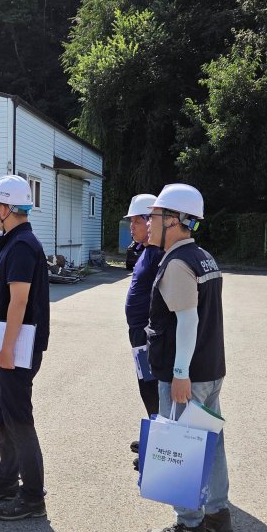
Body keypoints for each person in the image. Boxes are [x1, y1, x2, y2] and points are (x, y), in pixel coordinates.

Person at [143, 183, 233, 532]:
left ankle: (189, 527)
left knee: (181, 446)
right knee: (211, 441)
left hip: (189, 376)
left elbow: (189, 320)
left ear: (176, 221)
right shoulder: (202, 257)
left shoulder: (178, 263)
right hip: (211, 369)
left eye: (155, 216)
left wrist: (180, 373)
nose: (149, 222)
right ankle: (217, 513)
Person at [0, 175, 50, 521]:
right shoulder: (15, 241)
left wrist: (5, 348)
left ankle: (32, 497)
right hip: (7, 346)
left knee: (19, 420)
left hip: (13, 349)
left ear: (5, 208)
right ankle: (6, 479)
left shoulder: (20, 246)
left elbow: (19, 301)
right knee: (6, 416)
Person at [123, 194, 162, 469]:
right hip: (137, 333)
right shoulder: (145, 251)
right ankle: (153, 433)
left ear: (150, 221)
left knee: (152, 389)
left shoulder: (159, 253)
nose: (131, 226)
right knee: (145, 387)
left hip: (147, 335)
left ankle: (157, 447)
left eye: (136, 220)